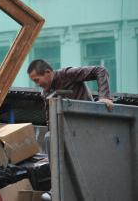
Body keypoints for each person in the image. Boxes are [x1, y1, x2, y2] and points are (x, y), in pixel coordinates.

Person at [27, 59, 113, 201]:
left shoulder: (67, 74)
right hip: (67, 131)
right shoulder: (45, 92)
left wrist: (104, 97)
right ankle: (57, 186)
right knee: (50, 137)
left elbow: (100, 70)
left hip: (85, 124)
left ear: (48, 72)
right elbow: (50, 119)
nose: (37, 84)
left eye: (37, 79)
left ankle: (57, 187)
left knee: (50, 137)